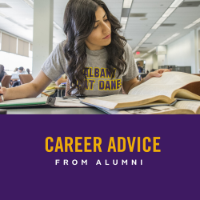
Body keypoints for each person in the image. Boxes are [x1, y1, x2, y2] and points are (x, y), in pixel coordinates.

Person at [0, 0, 169, 102]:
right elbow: (36, 86)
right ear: (79, 32)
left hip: (113, 115)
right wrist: (6, 92)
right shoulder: (64, 49)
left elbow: (131, 86)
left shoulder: (122, 48)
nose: (106, 29)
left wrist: (147, 80)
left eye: (105, 20)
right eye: (96, 26)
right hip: (76, 115)